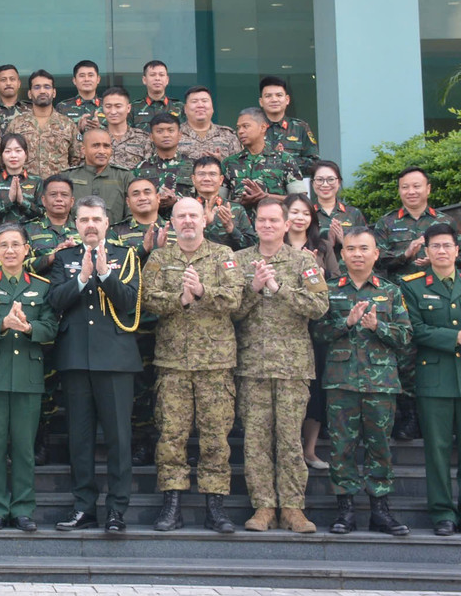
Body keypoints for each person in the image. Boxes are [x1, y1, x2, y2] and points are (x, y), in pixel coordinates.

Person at [143, 196, 245, 533]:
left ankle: (215, 506)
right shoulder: (160, 257)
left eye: (193, 215)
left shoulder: (223, 255)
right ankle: (172, 505)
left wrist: (202, 292)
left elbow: (235, 298)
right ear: (172, 222)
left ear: (205, 220)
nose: (187, 221)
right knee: (171, 436)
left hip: (215, 363)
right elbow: (147, 298)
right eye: (181, 216)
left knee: (215, 437)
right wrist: (180, 299)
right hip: (173, 363)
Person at [232, 198, 330, 534]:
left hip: (292, 366)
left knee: (289, 440)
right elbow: (229, 311)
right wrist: (254, 289)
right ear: (254, 223)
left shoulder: (304, 261)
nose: (267, 225)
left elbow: (319, 306)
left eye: (274, 220)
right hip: (252, 365)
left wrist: (279, 288)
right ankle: (263, 507)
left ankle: (292, 508)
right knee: (256, 441)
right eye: (262, 220)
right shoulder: (239, 261)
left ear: (287, 225)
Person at [48, 197, 142, 534]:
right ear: (75, 224)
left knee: (118, 439)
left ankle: (117, 509)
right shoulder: (64, 258)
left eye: (96, 219)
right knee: (80, 439)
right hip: (76, 358)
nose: (90, 225)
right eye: (84, 219)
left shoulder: (125, 256)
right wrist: (82, 279)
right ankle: (84, 507)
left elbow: (130, 301)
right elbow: (54, 300)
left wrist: (104, 274)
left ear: (107, 223)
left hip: (115, 359)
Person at [400, 223, 461, 538]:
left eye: (447, 245)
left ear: (457, 250)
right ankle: (443, 513)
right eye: (436, 246)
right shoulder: (412, 285)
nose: (442, 251)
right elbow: (414, 329)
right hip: (435, 379)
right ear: (426, 251)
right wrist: (453, 337)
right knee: (437, 451)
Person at [313, 226, 413, 537]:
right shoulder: (330, 289)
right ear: (342, 254)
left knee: (379, 447)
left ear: (376, 254)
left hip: (380, 383)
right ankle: (345, 510)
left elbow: (406, 335)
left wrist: (377, 326)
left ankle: (380, 510)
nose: (357, 254)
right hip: (341, 383)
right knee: (341, 447)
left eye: (364, 248)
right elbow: (317, 333)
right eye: (351, 249)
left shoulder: (391, 291)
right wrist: (347, 322)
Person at [0, 222, 56, 533]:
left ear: (26, 249)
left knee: (24, 448)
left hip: (27, 376)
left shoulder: (42, 286)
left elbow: (51, 327)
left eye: (15, 244)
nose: (9, 250)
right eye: (3, 245)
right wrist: (3, 324)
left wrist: (30, 328)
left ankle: (22, 509)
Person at [373, 165, 461, 441]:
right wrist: (406, 254)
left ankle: (445, 420)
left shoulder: (444, 221)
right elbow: (377, 260)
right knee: (406, 358)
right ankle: (410, 417)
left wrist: (435, 260)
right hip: (402, 301)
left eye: (416, 186)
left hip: (440, 299)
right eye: (405, 187)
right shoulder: (387, 223)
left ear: (428, 189)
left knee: (440, 354)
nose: (410, 191)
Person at [109, 176, 166, 468]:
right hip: (133, 324)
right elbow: (113, 272)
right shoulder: (116, 233)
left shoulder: (175, 228)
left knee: (170, 389)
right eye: (136, 194)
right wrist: (142, 251)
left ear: (158, 198)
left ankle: (170, 444)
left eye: (148, 192)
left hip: (172, 323)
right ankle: (142, 442)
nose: (142, 197)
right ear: (128, 201)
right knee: (139, 388)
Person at [285, 192, 335, 472]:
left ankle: (310, 450)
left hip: (315, 327)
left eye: (305, 213)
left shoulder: (322, 247)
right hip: (282, 326)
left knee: (313, 391)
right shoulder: (275, 245)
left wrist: (316, 273)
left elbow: (336, 282)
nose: (299, 218)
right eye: (294, 212)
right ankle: (289, 449)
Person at [4, 70, 82, 179]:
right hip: (25, 185)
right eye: (37, 87)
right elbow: (5, 157)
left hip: (57, 186)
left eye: (47, 87)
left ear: (54, 93)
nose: (42, 91)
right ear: (29, 94)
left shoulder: (68, 125)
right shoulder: (16, 124)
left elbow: (78, 160)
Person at [224, 106, 304, 209]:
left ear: (263, 127)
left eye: (245, 126)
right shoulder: (229, 163)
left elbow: (300, 199)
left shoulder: (284, 160)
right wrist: (239, 202)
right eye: (238, 127)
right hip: (240, 219)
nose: (240, 131)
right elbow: (219, 201)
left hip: (274, 218)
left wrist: (267, 197)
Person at [57, 127, 131, 223]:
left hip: (114, 232)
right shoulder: (68, 176)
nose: (102, 151)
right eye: (96, 146)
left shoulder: (124, 177)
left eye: (106, 146)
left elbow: (132, 215)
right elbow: (59, 214)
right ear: (83, 150)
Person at [191, 155, 256, 251]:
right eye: (201, 174)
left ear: (221, 180)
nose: (207, 179)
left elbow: (252, 247)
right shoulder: (184, 208)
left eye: (212, 174)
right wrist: (202, 225)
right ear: (193, 179)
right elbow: (175, 243)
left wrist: (231, 228)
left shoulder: (236, 209)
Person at [133, 113, 194, 213]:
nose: (166, 135)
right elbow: (134, 199)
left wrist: (176, 201)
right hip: (152, 220)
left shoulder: (193, 166)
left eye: (171, 130)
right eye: (159, 131)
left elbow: (201, 197)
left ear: (179, 135)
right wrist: (155, 200)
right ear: (151, 137)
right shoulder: (140, 168)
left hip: (185, 219)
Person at [308, 160, 365, 264]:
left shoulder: (353, 213)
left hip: (349, 270)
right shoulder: (307, 213)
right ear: (312, 183)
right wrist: (326, 244)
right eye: (319, 180)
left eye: (331, 179)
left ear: (339, 182)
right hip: (317, 269)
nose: (325, 184)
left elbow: (365, 246)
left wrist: (344, 241)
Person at [26, 175, 80, 275]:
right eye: (53, 194)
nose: (59, 199)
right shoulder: (28, 230)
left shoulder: (83, 229)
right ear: (43, 200)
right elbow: (20, 266)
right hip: (41, 284)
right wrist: (53, 256)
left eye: (64, 195)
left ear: (72, 201)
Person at [259, 75, 319, 162]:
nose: (274, 99)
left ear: (287, 99)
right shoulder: (254, 128)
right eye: (268, 96)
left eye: (279, 95)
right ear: (261, 102)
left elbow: (314, 161)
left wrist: (286, 161)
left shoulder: (300, 127)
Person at [0, 132, 43, 227]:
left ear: (26, 154)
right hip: (1, 233)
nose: (13, 155)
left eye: (18, 151)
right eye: (8, 151)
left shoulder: (37, 181)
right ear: (1, 155)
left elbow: (43, 213)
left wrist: (22, 201)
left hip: (31, 234)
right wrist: (9, 200)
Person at [177, 86, 242, 162]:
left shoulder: (228, 135)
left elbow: (239, 166)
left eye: (204, 101)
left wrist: (221, 163)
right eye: (194, 101)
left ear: (212, 107)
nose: (200, 105)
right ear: (185, 108)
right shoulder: (175, 134)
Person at [100, 86, 151, 171]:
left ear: (128, 108)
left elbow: (149, 170)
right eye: (108, 106)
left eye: (118, 106)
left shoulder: (144, 138)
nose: (113, 112)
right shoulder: (95, 138)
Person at [56, 60, 104, 131]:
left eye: (90, 75)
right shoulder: (62, 107)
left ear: (98, 79)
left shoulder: (107, 106)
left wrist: (100, 129)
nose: (86, 79)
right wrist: (77, 130)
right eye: (82, 76)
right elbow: (58, 135)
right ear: (74, 80)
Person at [133, 59, 182, 128]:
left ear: (167, 80)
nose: (157, 78)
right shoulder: (133, 108)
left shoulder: (179, 107)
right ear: (144, 80)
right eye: (152, 75)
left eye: (161, 75)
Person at [0, 63, 29, 127]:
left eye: (12, 79)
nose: (8, 83)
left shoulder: (31, 110)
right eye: (3, 80)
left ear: (19, 83)